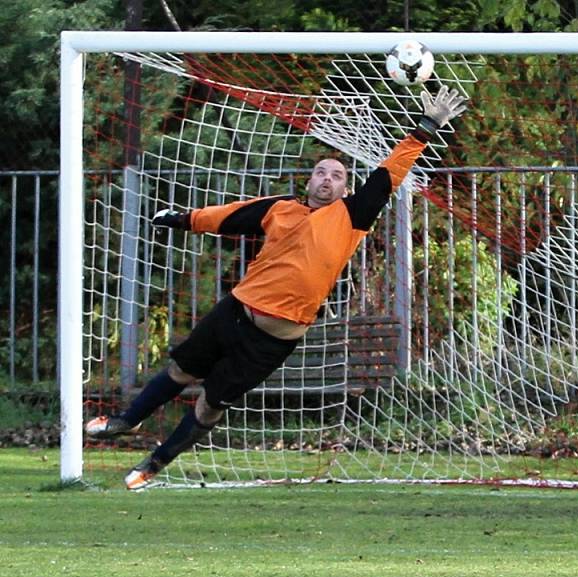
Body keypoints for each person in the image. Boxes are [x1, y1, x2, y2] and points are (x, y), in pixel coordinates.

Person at [85, 85, 468, 490]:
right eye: (320, 172)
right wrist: (183, 218)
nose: (327, 179)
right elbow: (228, 217)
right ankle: (127, 420)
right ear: (309, 182)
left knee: (211, 404)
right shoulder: (281, 209)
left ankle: (154, 464)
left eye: (337, 175)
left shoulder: (352, 216)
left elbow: (389, 174)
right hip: (234, 312)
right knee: (181, 370)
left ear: (345, 189)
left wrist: (426, 127)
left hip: (271, 340)